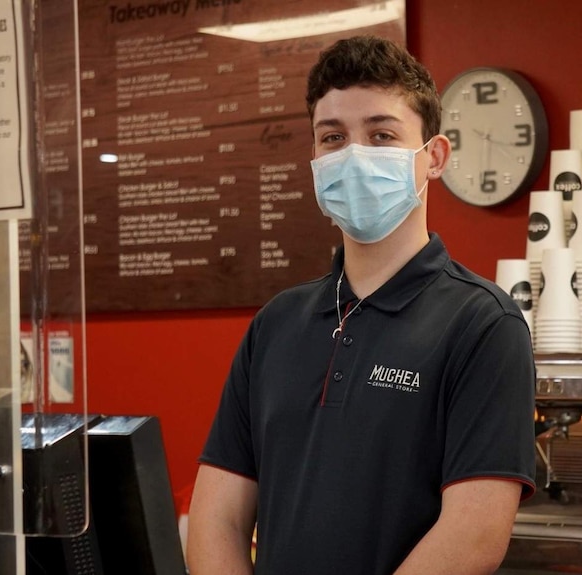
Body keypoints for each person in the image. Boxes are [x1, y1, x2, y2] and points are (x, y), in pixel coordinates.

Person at [187, 35, 537, 575]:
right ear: (315, 159)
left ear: (434, 157)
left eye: (381, 135)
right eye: (333, 138)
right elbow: (218, 520)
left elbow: (473, 536)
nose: (354, 155)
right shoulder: (276, 324)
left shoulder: (483, 324)